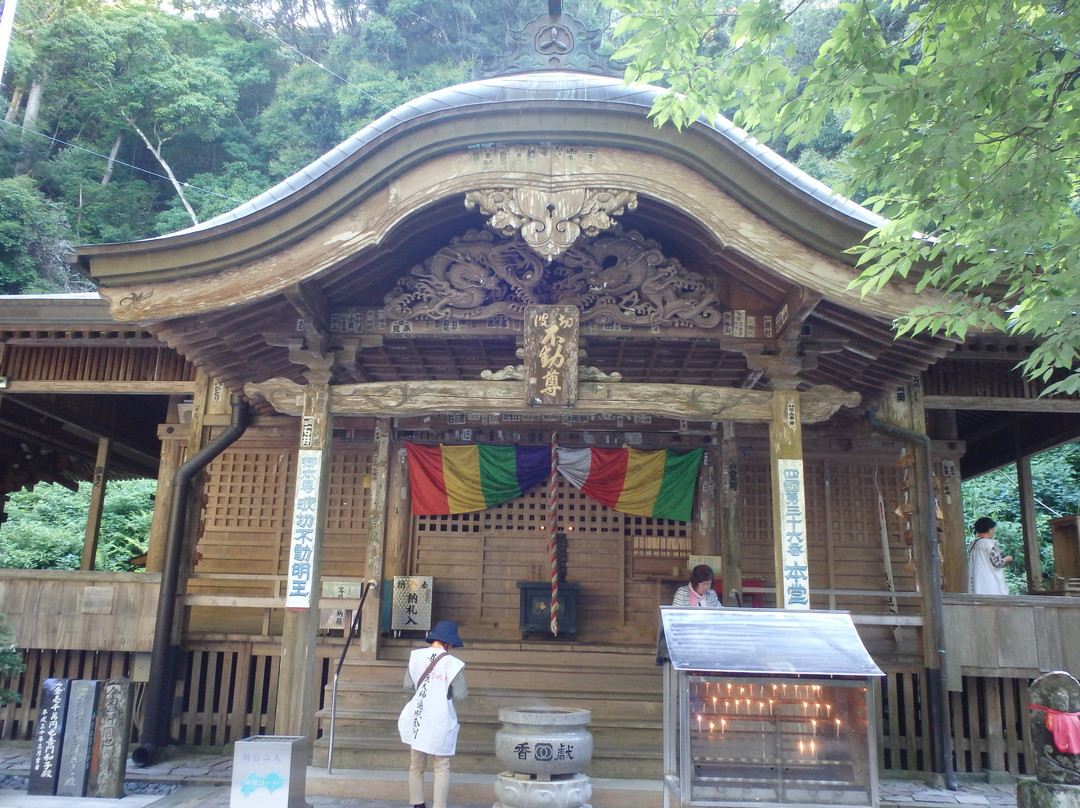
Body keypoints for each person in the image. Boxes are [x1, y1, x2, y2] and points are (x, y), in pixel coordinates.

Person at [398, 620, 468, 808]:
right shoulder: (452, 664)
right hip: (440, 718)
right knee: (442, 766)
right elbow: (461, 694)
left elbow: (407, 686)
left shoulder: (416, 657)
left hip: (419, 716)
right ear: (448, 642)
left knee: (416, 764)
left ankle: (417, 803)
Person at [967, 517, 1013, 595]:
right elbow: (998, 563)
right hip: (990, 586)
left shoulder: (974, 543)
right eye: (993, 529)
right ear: (990, 529)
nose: (994, 531)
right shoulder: (988, 544)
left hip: (978, 584)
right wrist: (1008, 558)